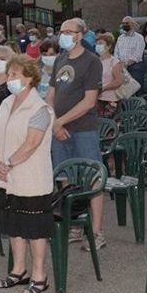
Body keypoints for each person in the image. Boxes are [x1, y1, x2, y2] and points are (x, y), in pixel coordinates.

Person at [0, 55, 56, 293]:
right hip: (6, 176)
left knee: (34, 229)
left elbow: (31, 144)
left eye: (14, 75)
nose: (9, 80)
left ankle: (40, 275)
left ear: (29, 78)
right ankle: (18, 270)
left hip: (31, 178)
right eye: (8, 75)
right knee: (13, 225)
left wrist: (6, 164)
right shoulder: (6, 103)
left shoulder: (41, 109)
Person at [47, 18, 107, 249]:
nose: (63, 35)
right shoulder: (60, 59)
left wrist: (60, 121)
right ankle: (73, 226)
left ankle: (97, 232)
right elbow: (50, 95)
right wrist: (55, 123)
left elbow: (89, 101)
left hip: (83, 129)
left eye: (68, 31)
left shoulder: (91, 62)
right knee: (66, 180)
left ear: (80, 35)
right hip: (59, 130)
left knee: (92, 180)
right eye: (61, 31)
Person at [95, 33, 124, 118]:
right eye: (97, 43)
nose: (98, 46)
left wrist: (104, 87)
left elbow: (119, 80)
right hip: (97, 99)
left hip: (110, 100)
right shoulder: (96, 61)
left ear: (108, 46)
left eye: (101, 43)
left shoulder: (114, 62)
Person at [115, 16, 145, 85]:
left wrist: (126, 64)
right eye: (123, 23)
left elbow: (138, 54)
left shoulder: (139, 37)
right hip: (121, 68)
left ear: (133, 24)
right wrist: (120, 64)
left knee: (135, 89)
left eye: (127, 23)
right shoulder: (120, 38)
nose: (124, 25)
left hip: (135, 68)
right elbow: (116, 52)